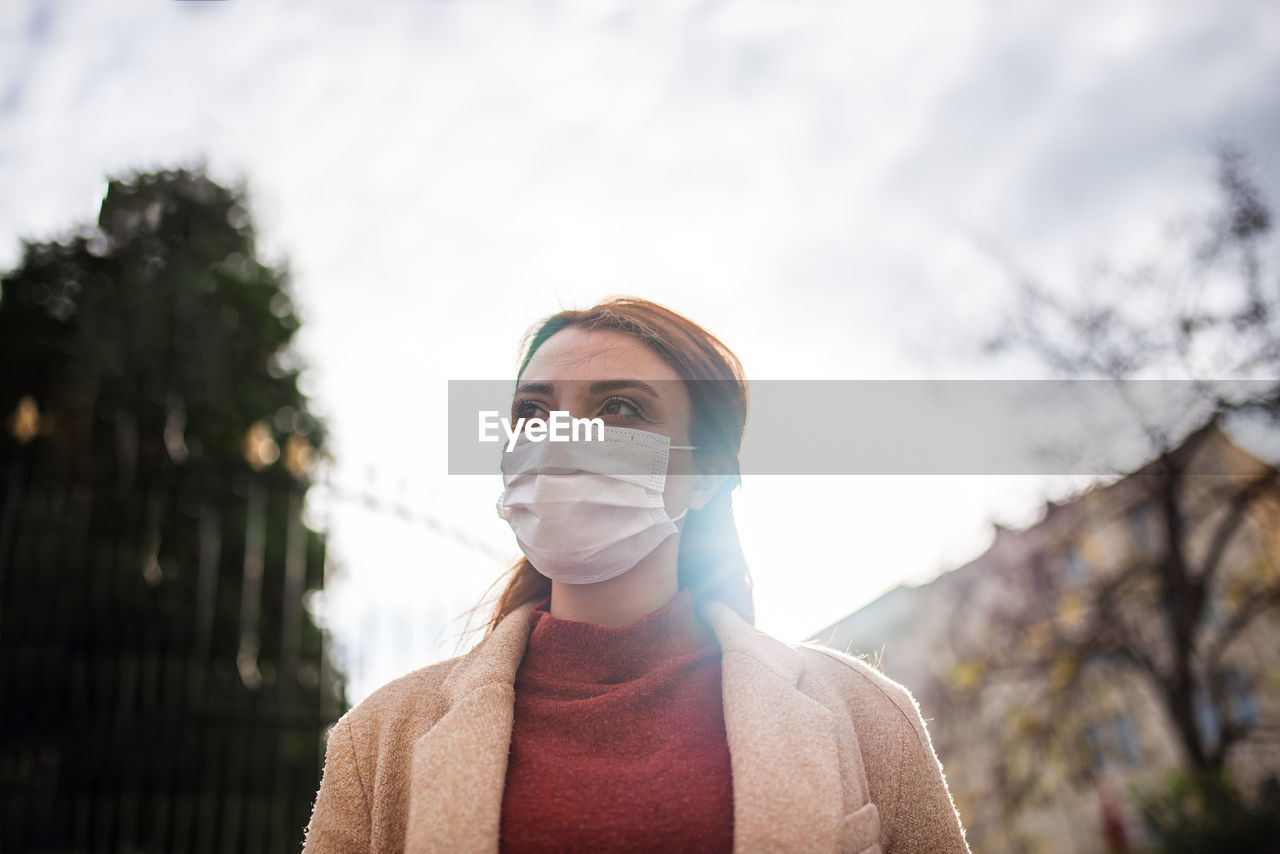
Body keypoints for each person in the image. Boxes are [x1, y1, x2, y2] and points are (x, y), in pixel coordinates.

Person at [301, 297, 971, 853]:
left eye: (620, 408)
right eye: (532, 413)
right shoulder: (378, 739)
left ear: (707, 474)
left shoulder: (868, 718)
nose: (561, 438)